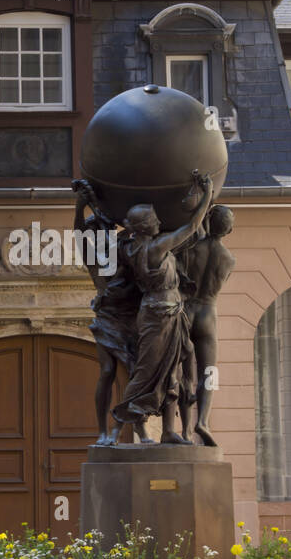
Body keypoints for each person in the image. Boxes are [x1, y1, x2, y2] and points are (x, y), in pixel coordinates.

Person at [112, 173, 212, 444]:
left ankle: (168, 431)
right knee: (146, 371)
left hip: (166, 311)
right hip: (160, 314)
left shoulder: (131, 247)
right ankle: (129, 426)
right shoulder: (154, 248)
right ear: (145, 226)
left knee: (173, 371)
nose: (159, 221)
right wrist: (207, 194)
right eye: (154, 219)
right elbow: (191, 227)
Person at [72, 179, 146, 446]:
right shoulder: (94, 257)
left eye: (103, 229)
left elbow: (139, 226)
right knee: (106, 371)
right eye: (95, 230)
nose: (99, 233)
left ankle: (137, 428)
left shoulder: (125, 247)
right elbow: (79, 230)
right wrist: (81, 207)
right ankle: (103, 430)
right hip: (107, 317)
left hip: (132, 317)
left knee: (137, 373)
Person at [177, 204, 236, 446]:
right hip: (208, 314)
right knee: (209, 371)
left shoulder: (190, 250)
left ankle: (184, 430)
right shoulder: (229, 259)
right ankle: (203, 421)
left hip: (187, 310)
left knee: (181, 372)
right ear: (229, 229)